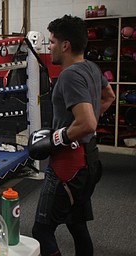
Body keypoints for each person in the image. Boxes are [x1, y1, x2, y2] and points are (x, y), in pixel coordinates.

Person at [27, 15, 116, 255]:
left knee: (41, 231)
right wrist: (81, 122)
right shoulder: (92, 68)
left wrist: (56, 138)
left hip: (69, 164)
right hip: (90, 159)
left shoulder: (69, 75)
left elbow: (86, 123)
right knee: (77, 225)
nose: (50, 47)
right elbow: (109, 97)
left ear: (66, 45)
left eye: (53, 42)